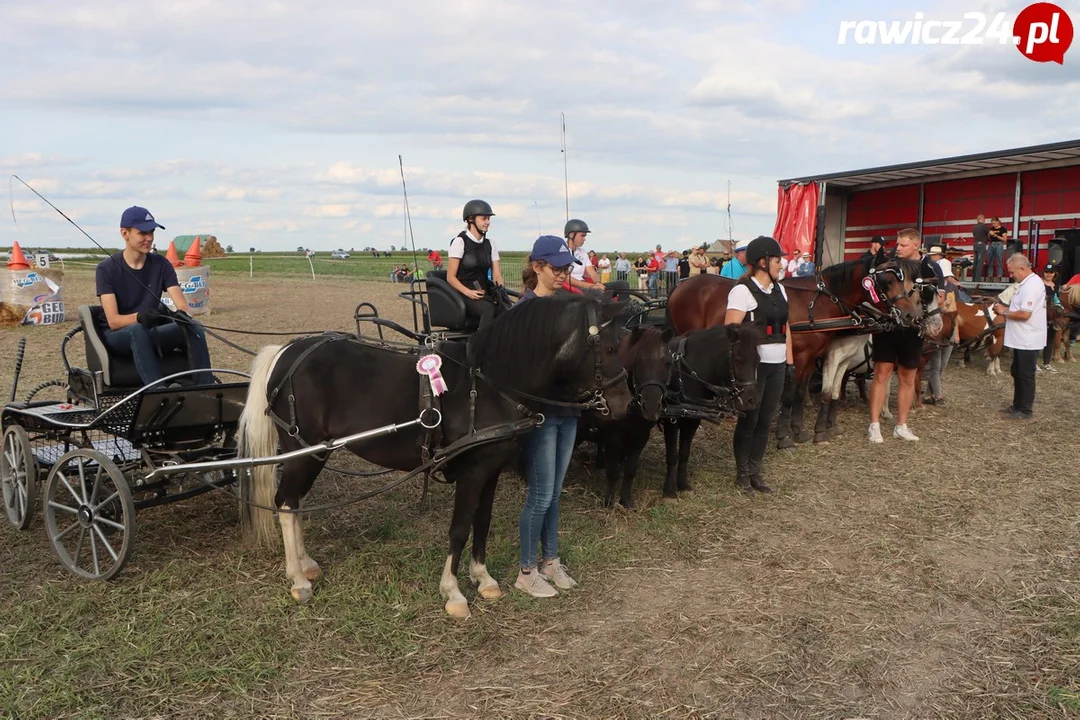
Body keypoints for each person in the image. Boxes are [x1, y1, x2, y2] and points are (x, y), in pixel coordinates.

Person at [513, 235, 583, 598]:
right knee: (540, 495)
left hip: (568, 409)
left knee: (555, 494)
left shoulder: (565, 306)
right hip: (541, 415)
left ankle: (551, 562)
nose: (561, 275)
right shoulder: (524, 311)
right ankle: (526, 571)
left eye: (566, 268)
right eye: (556, 268)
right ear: (537, 267)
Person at [96, 206, 212, 387]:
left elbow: (182, 304)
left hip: (150, 332)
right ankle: (158, 393)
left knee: (194, 327)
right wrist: (139, 317)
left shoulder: (161, 264)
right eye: (142, 233)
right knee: (137, 330)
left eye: (151, 232)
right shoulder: (106, 269)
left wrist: (183, 314)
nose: (149, 238)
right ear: (125, 233)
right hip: (118, 336)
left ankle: (206, 390)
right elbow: (113, 321)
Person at [724, 236, 792, 493]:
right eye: (777, 260)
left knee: (765, 421)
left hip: (778, 364)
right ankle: (742, 474)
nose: (781, 265)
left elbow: (788, 328)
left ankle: (755, 471)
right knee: (749, 420)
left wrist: (791, 361)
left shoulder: (780, 289)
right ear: (763, 262)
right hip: (756, 367)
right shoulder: (741, 291)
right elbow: (730, 332)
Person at [867, 228, 937, 443]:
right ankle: (874, 425)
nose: (898, 248)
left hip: (914, 329)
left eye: (903, 245)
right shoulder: (890, 265)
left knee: (907, 377)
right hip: (889, 327)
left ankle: (901, 425)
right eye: (898, 244)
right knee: (881, 374)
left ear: (916, 245)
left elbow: (936, 298)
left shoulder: (929, 268)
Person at [993, 254, 1046, 419]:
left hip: (1028, 339)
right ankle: (1017, 405)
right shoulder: (1025, 283)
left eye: (1012, 271)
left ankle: (1025, 410)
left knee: (1025, 375)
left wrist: (1004, 311)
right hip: (1021, 338)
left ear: (1023, 268)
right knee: (1017, 371)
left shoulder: (1031, 286)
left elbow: (1024, 314)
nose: (1010, 275)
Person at [447, 199, 506, 329]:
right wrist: (468, 292)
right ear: (471, 219)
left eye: (489, 219)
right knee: (488, 310)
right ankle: (482, 346)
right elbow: (450, 277)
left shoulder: (491, 244)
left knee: (507, 309)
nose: (488, 222)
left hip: (483, 292)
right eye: (484, 219)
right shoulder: (460, 242)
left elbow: (497, 275)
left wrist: (501, 291)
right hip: (463, 293)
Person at [565, 219, 603, 292]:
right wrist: (592, 286)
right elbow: (566, 278)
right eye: (582, 236)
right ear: (571, 235)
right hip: (571, 286)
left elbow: (591, 271)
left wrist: (598, 283)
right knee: (598, 292)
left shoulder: (582, 252)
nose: (584, 239)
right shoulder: (562, 251)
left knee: (622, 285)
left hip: (583, 283)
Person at [1040, 262, 1062, 373]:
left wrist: (1059, 306)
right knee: (1038, 340)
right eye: (1046, 272)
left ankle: (1046, 364)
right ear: (1043, 273)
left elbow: (1056, 299)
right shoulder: (1039, 284)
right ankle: (1033, 363)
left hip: (1052, 316)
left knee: (1050, 340)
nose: (1048, 274)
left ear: (1054, 274)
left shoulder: (1054, 285)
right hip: (1041, 314)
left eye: (1051, 272)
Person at [972, 214, 990, 282]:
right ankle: (978, 279)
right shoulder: (984, 226)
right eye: (984, 219)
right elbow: (991, 233)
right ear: (982, 219)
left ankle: (973, 279)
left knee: (975, 262)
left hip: (975, 245)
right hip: (982, 245)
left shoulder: (974, 227)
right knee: (980, 262)